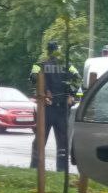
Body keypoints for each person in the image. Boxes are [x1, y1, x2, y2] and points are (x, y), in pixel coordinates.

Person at [30, 42, 80, 172]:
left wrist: (44, 92)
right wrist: (71, 94)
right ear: (58, 51)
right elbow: (77, 78)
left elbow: (32, 77)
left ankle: (35, 166)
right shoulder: (68, 65)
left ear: (47, 51)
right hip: (62, 109)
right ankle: (62, 169)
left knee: (40, 138)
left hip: (46, 108)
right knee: (62, 140)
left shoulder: (39, 64)